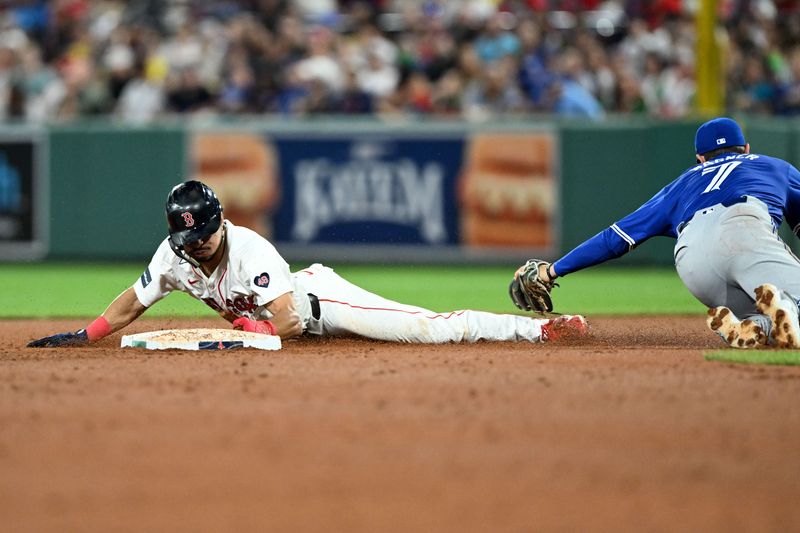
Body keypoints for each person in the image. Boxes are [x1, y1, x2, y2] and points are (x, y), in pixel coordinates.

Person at [27, 180, 588, 348]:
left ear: (219, 221)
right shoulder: (174, 253)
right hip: (289, 322)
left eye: (199, 236)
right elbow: (133, 300)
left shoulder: (252, 250)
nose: (192, 246)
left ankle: (536, 329)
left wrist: (249, 328)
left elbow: (290, 321)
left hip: (319, 301)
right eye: (184, 239)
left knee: (426, 330)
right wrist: (86, 333)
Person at [509, 117, 800, 349]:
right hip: (744, 227)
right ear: (746, 149)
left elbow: (615, 239)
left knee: (768, 315)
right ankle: (781, 311)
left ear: (699, 157)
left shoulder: (679, 184)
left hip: (692, 262)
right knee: (788, 302)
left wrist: (552, 271)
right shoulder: (774, 166)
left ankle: (753, 327)